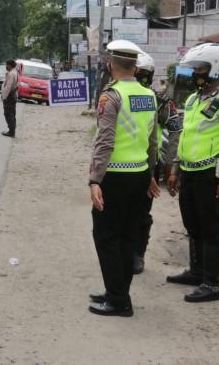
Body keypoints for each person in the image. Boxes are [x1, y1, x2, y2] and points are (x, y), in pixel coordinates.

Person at [166, 43, 219, 303]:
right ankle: (196, 272)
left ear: (213, 69)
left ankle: (212, 284)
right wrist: (175, 170)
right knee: (192, 223)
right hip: (189, 171)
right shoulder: (191, 100)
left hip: (211, 174)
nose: (195, 73)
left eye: (199, 68)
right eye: (194, 69)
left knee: (212, 228)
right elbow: (185, 136)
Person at [87, 40, 159, 317]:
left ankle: (118, 301)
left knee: (106, 236)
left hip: (114, 176)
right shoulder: (149, 96)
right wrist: (151, 174)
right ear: (135, 66)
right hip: (139, 175)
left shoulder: (111, 96)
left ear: (110, 65)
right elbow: (152, 141)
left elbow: (104, 143)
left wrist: (95, 180)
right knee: (128, 237)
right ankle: (118, 291)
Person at [132, 52, 182, 274]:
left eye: (143, 74)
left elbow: (176, 128)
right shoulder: (117, 96)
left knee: (142, 214)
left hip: (147, 167)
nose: (139, 78)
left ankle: (137, 255)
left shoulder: (159, 101)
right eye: (136, 73)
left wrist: (170, 163)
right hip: (119, 164)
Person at [1, 59, 18, 138]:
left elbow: (8, 87)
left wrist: (4, 97)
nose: (6, 66)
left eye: (7, 65)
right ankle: (12, 131)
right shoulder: (14, 72)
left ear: (10, 65)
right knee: (12, 113)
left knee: (8, 114)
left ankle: (11, 131)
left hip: (9, 96)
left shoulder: (11, 74)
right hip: (13, 95)